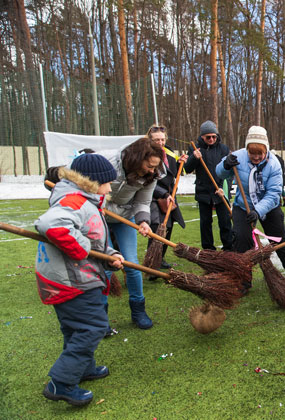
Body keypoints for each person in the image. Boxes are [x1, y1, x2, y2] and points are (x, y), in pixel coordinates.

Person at [35, 153, 124, 406]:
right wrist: (83, 249)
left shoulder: (87, 203)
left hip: (72, 276)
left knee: (76, 328)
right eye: (107, 182)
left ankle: (83, 368)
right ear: (94, 182)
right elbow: (52, 226)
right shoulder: (75, 202)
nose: (110, 187)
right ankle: (60, 383)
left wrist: (110, 255)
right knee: (92, 327)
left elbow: (94, 239)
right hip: (71, 280)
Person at [216, 126, 285, 287]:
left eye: (260, 153)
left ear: (266, 149)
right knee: (242, 241)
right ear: (247, 149)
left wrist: (258, 211)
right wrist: (225, 166)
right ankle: (243, 280)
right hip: (243, 206)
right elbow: (219, 173)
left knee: (278, 239)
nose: (256, 157)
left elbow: (273, 194)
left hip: (268, 207)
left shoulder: (274, 164)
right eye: (252, 153)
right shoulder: (237, 157)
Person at [101, 137, 165, 329]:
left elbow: (143, 202)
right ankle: (100, 316)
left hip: (125, 217)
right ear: (137, 158)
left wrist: (143, 221)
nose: (152, 171)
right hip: (98, 216)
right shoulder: (109, 162)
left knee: (131, 263)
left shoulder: (152, 175)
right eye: (149, 165)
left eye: (155, 166)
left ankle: (138, 310)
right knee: (104, 264)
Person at [184, 120, 234, 251]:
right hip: (203, 191)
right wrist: (193, 157)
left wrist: (225, 188)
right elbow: (187, 169)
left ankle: (228, 248)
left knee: (225, 221)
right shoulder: (195, 148)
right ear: (202, 137)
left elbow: (230, 172)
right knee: (205, 223)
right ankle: (208, 250)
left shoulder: (224, 149)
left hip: (220, 190)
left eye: (214, 136)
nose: (211, 139)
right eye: (208, 137)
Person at [146, 124, 188, 270]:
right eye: (156, 140)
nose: (160, 143)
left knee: (168, 227)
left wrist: (180, 162)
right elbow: (147, 180)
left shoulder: (168, 152)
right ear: (150, 139)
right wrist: (162, 194)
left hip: (169, 195)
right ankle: (152, 261)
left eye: (162, 140)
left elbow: (174, 172)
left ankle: (160, 258)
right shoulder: (146, 155)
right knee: (157, 227)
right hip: (153, 195)